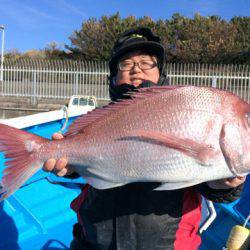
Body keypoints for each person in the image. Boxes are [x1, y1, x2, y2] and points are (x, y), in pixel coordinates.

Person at [43, 27, 245, 250]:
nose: (136, 70)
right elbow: (88, 163)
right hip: (94, 241)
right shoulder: (98, 121)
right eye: (126, 64)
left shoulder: (184, 106)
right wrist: (70, 168)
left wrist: (223, 186)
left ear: (161, 73)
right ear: (113, 77)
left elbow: (211, 185)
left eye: (147, 62)